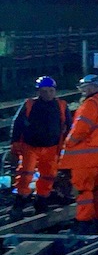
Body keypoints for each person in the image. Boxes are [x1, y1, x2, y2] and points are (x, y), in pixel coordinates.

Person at [61, 74, 98, 232]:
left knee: (84, 190)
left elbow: (81, 129)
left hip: (88, 157)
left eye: (84, 87)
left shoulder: (91, 104)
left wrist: (68, 144)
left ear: (91, 87)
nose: (82, 91)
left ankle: (83, 223)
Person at [8, 76, 72, 218]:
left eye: (50, 91)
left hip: (52, 147)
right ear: (38, 92)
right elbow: (17, 123)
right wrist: (15, 142)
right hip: (30, 146)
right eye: (44, 91)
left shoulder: (61, 105)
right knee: (25, 174)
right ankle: (20, 201)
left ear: (55, 91)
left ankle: (41, 200)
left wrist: (68, 146)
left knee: (48, 175)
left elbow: (68, 125)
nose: (48, 94)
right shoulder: (29, 104)